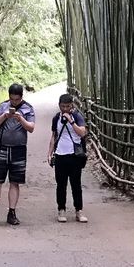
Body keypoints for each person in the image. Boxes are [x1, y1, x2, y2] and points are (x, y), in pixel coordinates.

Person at [0, 83, 35, 226]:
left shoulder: (28, 108)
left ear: (21, 97)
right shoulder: (3, 106)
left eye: (17, 100)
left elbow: (31, 128)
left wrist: (21, 119)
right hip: (2, 147)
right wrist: (4, 116)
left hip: (19, 149)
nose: (14, 102)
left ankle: (11, 213)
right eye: (12, 99)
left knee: (14, 182)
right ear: (9, 97)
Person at [46, 93, 88, 223]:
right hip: (60, 155)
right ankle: (61, 209)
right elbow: (54, 136)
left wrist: (71, 121)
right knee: (61, 184)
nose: (65, 109)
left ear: (72, 105)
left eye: (68, 106)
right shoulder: (56, 119)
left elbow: (82, 132)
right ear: (59, 106)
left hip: (75, 155)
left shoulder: (77, 116)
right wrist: (50, 152)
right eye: (63, 106)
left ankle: (79, 211)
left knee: (76, 184)